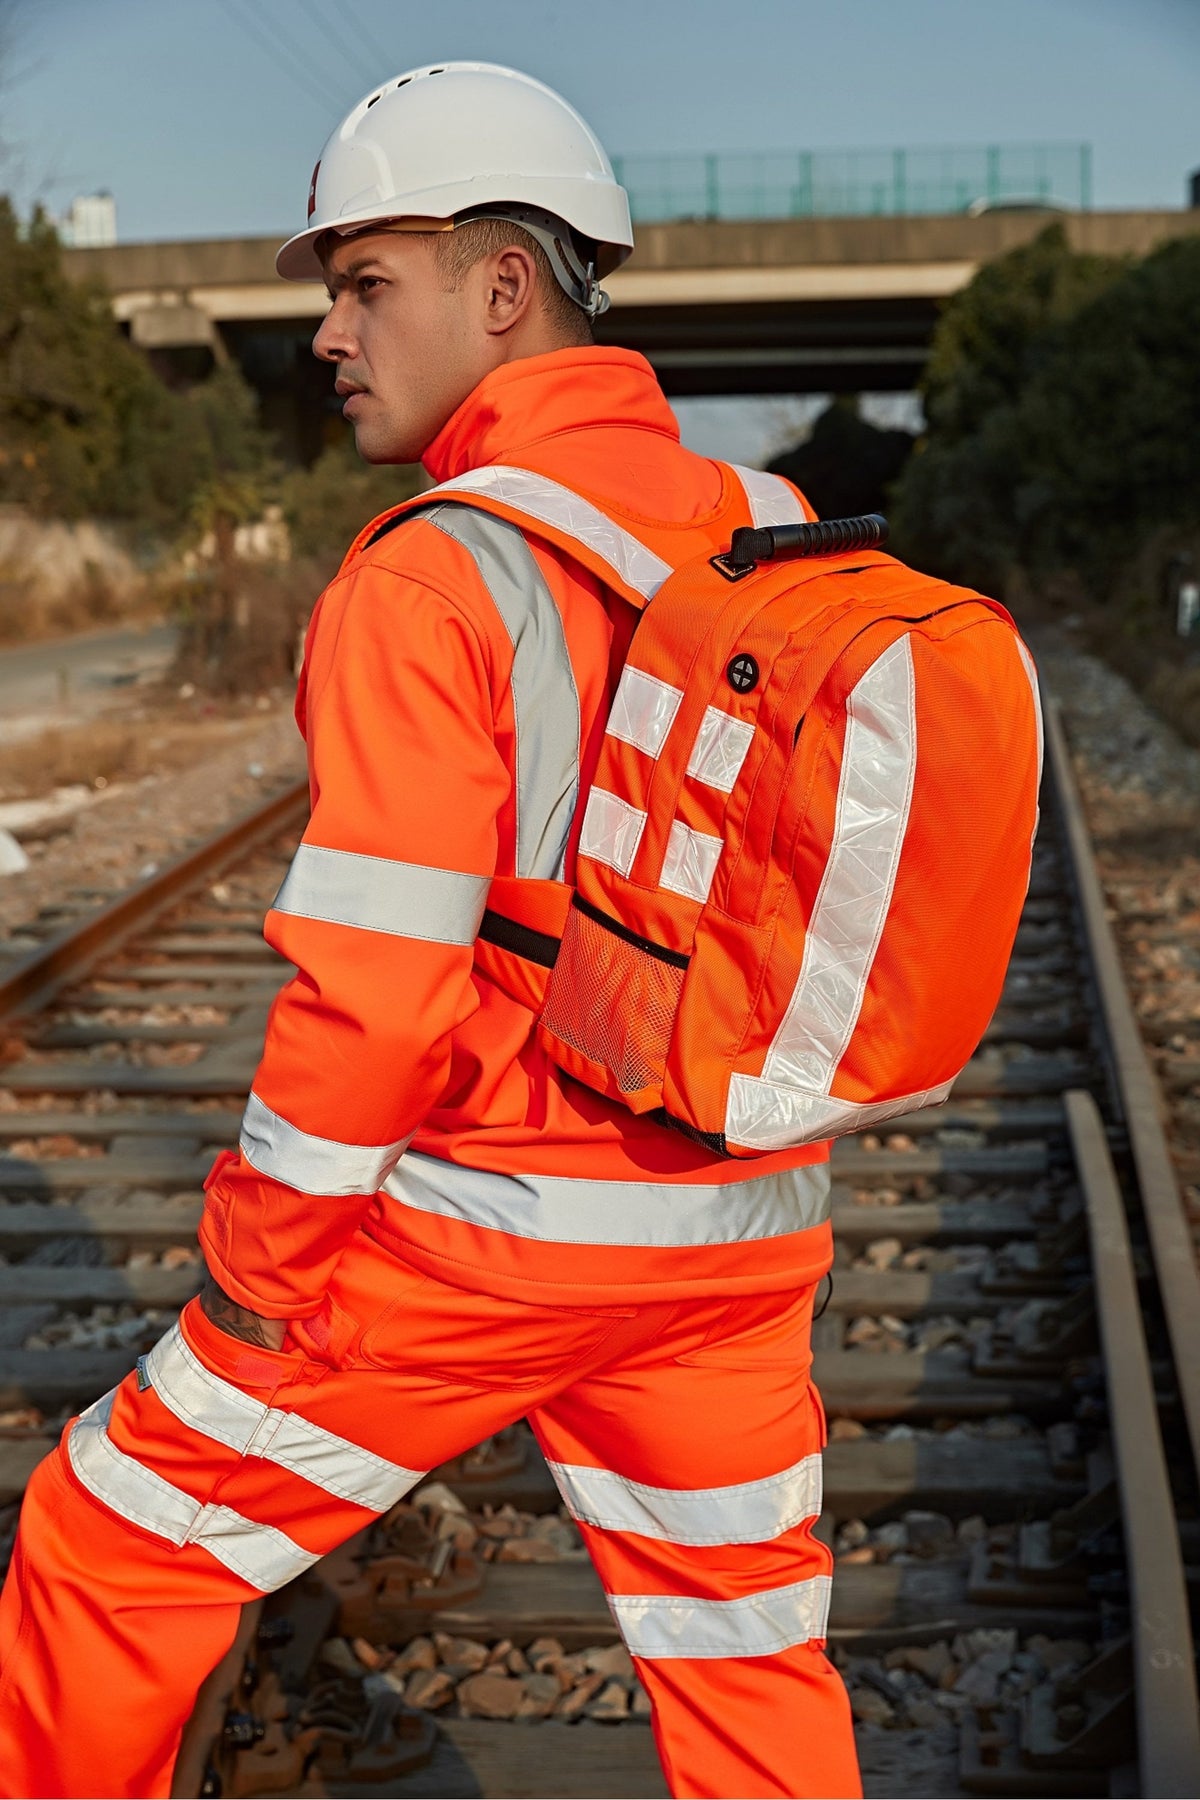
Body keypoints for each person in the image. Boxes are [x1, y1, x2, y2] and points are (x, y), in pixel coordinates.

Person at [0, 63, 861, 1800]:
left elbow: (374, 1004)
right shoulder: (781, 536)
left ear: (503, 288)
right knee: (752, 1672)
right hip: (743, 1239)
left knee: (99, 1553)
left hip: (493, 1238)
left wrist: (259, 1277)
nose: (325, 330)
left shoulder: (430, 575)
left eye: (364, 280)